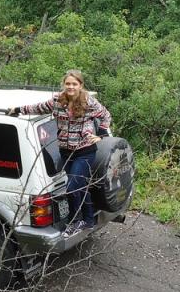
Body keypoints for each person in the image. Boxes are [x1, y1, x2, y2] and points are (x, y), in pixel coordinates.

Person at [6, 70, 112, 236]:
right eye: (68, 83)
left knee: (71, 188)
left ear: (80, 85)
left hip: (84, 151)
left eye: (74, 84)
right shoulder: (57, 100)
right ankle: (89, 220)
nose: (71, 87)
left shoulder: (89, 102)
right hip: (65, 151)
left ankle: (75, 222)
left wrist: (101, 135)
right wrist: (17, 109)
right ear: (64, 84)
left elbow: (105, 115)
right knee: (81, 187)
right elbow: (38, 108)